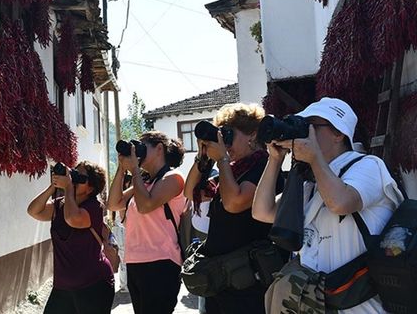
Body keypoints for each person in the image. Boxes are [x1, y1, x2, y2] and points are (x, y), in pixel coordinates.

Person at [252, 97, 404, 313]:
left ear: (338, 133)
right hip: (315, 304)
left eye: (311, 126)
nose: (305, 134)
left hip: (361, 306)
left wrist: (314, 159)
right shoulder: (308, 181)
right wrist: (274, 160)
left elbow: (341, 202)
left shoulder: (368, 166)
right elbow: (262, 211)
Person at [183, 103, 284, 314]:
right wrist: (203, 158)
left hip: (247, 280)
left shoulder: (264, 166)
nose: (225, 143)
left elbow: (234, 203)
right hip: (221, 277)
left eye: (229, 135)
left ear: (252, 135)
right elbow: (189, 191)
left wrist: (222, 159)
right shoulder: (232, 170)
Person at [107, 131, 186, 314]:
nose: (137, 152)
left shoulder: (174, 178)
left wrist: (134, 169)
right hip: (136, 261)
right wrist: (121, 168)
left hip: (161, 263)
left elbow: (145, 206)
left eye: (142, 147)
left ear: (160, 149)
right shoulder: (143, 183)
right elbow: (113, 203)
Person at [27, 161, 114, 314]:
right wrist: (53, 187)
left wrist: (67, 187)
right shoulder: (60, 204)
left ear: (91, 188)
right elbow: (34, 211)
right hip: (63, 286)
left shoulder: (94, 207)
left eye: (80, 178)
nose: (74, 180)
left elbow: (73, 219)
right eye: (74, 174)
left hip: (93, 284)